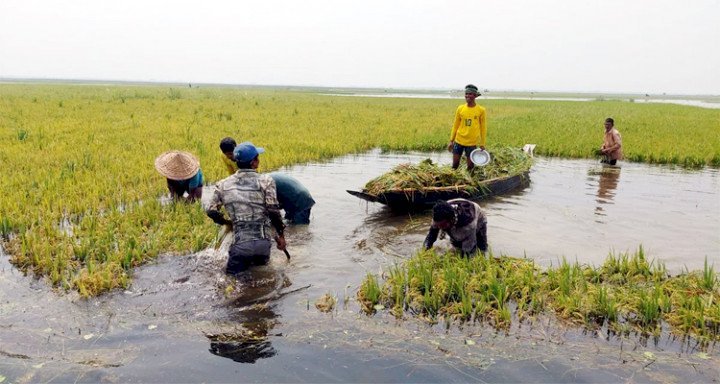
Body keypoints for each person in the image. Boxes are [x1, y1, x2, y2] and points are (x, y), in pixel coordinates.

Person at [205, 141, 287, 274]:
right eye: (257, 158)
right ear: (253, 163)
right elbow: (273, 212)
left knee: (231, 283)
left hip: (240, 245)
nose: (258, 160)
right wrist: (281, 236)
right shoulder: (266, 181)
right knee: (262, 278)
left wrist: (226, 222)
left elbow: (211, 211)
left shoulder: (222, 184)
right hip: (263, 244)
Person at [218, 137, 315, 225]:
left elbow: (268, 208)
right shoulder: (260, 181)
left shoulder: (263, 183)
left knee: (300, 230)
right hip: (291, 198)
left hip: (300, 200)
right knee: (290, 224)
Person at [423, 198, 488, 256]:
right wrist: (425, 251)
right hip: (454, 220)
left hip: (479, 218)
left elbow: (467, 251)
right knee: (456, 245)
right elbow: (431, 236)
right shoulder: (438, 217)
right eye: (438, 225)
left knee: (481, 248)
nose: (440, 227)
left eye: (442, 225)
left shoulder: (468, 226)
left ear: (451, 220)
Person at [448, 84, 487, 170]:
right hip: (459, 141)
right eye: (466, 94)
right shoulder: (460, 108)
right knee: (455, 165)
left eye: (470, 94)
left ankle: (470, 182)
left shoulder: (481, 110)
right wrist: (451, 140)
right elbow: (455, 125)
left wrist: (482, 143)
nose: (467, 96)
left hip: (471, 143)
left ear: (475, 96)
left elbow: (483, 128)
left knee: (470, 167)